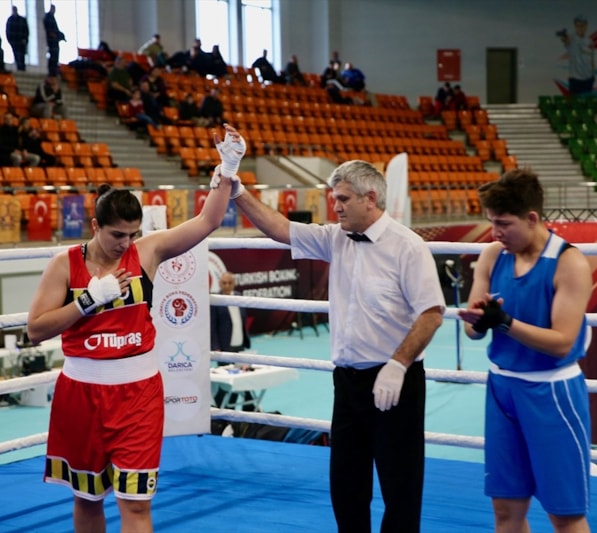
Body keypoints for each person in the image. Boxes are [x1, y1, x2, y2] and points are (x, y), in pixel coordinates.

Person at [25, 124, 244, 533]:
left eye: (132, 234)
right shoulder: (64, 265)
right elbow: (35, 330)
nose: (125, 243)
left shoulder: (147, 252)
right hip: (82, 393)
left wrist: (228, 169)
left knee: (137, 503)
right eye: (116, 235)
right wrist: (87, 301)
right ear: (95, 225)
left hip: (138, 394)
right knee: (88, 498)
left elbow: (208, 221)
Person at [219, 150, 446, 532]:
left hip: (396, 382)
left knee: (401, 487)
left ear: (369, 198)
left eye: (342, 199)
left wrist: (398, 364)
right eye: (333, 198)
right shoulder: (334, 238)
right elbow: (280, 228)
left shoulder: (407, 246)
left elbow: (431, 313)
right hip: (348, 383)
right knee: (346, 485)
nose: (334, 206)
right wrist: (237, 190)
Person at [457, 168, 593, 533]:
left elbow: (562, 342)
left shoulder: (569, 263)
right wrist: (480, 321)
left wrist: (504, 322)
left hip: (551, 391)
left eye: (504, 223)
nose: (495, 232)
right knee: (506, 509)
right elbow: (472, 329)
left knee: (564, 514)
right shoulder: (492, 256)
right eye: (491, 222)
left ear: (532, 218)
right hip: (502, 390)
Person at [210, 271, 255, 410]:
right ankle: (225, 408)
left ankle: (247, 408)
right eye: (224, 283)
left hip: (240, 345)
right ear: (219, 284)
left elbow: (242, 320)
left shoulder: (239, 297)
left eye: (230, 283)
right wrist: (215, 346)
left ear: (234, 284)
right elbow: (212, 325)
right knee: (227, 381)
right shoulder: (215, 300)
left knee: (242, 378)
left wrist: (245, 338)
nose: (227, 285)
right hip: (224, 347)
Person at [559, 14, 595, 95]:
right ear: (575, 26)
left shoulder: (590, 41)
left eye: (582, 25)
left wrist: (593, 75)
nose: (580, 28)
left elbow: (592, 61)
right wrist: (564, 37)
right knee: (574, 102)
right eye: (578, 26)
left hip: (589, 79)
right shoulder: (571, 38)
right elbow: (566, 40)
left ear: (586, 26)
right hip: (575, 80)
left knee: (588, 101)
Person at [43, 4, 65, 76]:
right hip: (52, 42)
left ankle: (54, 71)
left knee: (55, 56)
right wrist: (53, 35)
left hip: (55, 41)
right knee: (53, 56)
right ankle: (52, 71)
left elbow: (55, 30)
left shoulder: (51, 17)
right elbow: (49, 29)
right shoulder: (48, 17)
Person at [6, 6, 29, 72]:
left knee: (22, 56)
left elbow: (26, 31)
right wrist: (11, 41)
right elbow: (8, 32)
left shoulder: (22, 19)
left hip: (21, 42)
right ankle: (20, 69)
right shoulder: (10, 20)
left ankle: (22, 69)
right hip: (14, 42)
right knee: (17, 56)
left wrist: (25, 39)